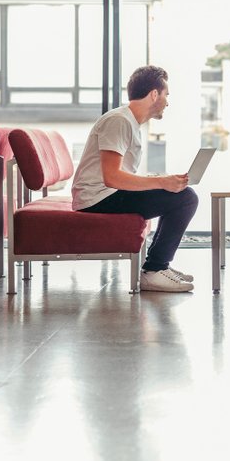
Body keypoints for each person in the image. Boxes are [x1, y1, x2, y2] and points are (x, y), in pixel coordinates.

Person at [71, 65, 198, 293]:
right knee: (186, 198)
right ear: (154, 94)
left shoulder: (129, 122)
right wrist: (161, 182)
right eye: (166, 95)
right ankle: (154, 270)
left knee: (179, 194)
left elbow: (119, 175)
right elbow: (112, 177)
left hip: (106, 195)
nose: (168, 102)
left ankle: (158, 266)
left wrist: (162, 181)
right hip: (97, 199)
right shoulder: (119, 121)